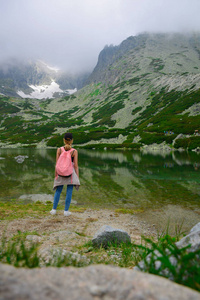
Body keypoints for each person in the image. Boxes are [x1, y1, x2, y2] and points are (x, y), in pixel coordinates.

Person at [50, 132, 80, 216]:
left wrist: (56, 175)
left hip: (60, 172)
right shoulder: (74, 151)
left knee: (58, 190)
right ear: (72, 140)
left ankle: (54, 210)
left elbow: (57, 164)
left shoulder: (59, 150)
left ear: (63, 140)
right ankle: (66, 211)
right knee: (69, 191)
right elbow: (76, 166)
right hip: (70, 173)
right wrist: (77, 177)